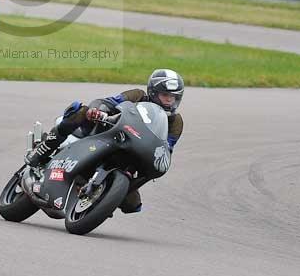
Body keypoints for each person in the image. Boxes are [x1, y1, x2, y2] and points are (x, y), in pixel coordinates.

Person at [26, 68, 185, 214]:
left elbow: (166, 147)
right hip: (106, 131)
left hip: (134, 151)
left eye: (174, 97)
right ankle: (43, 149)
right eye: (166, 96)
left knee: (133, 204)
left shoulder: (176, 122)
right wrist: (99, 111)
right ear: (153, 92)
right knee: (81, 111)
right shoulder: (137, 95)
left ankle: (102, 197)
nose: (169, 101)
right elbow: (109, 102)